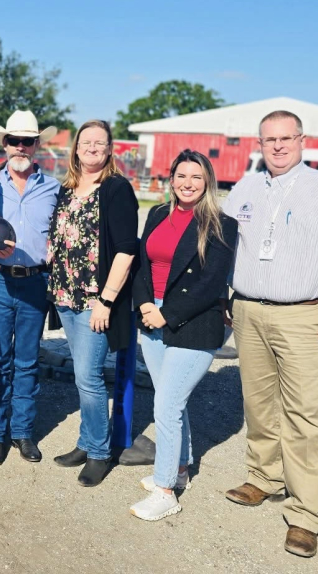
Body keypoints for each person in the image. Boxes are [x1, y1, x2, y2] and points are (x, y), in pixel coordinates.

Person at [223, 110, 318, 558]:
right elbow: (221, 242)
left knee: (304, 412)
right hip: (247, 310)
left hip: (301, 315)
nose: (278, 146)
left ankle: (306, 513)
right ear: (258, 144)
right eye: (269, 140)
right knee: (259, 403)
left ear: (302, 140)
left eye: (286, 138)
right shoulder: (245, 187)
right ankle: (264, 477)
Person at [129, 149, 237, 521]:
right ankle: (179, 468)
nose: (187, 184)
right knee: (170, 400)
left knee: (166, 406)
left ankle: (165, 492)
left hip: (194, 323)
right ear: (171, 179)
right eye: (181, 176)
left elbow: (211, 283)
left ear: (208, 182)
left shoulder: (221, 224)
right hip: (152, 315)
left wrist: (167, 314)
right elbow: (142, 266)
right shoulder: (158, 213)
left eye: (196, 177)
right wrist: (146, 304)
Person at [47, 119, 138, 487]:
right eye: (86, 142)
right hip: (65, 297)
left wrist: (107, 300)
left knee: (89, 377)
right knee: (83, 377)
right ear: (76, 147)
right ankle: (86, 443)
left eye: (100, 142)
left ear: (110, 149)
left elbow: (127, 250)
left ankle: (100, 452)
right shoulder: (68, 188)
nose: (92, 147)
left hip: (94, 301)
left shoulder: (116, 189)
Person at [0, 110, 60, 466]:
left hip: (35, 282)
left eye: (28, 141)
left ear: (37, 144)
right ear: (5, 144)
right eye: (15, 140)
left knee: (27, 360)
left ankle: (22, 431)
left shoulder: (54, 188)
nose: (21, 147)